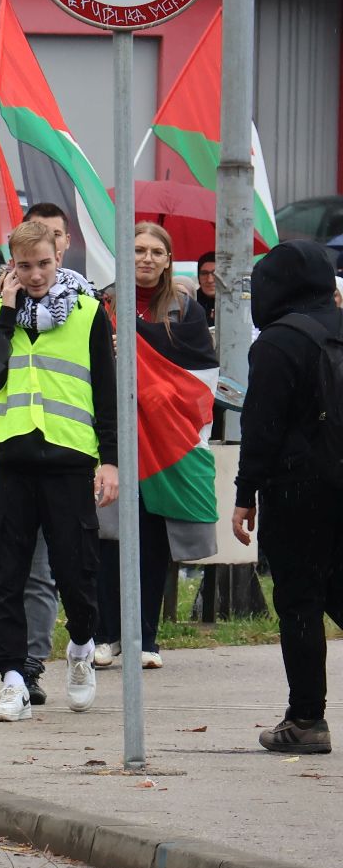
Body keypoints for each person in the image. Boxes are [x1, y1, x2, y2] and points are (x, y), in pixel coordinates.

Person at [0, 219, 116, 724]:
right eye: (24, 266)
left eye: (43, 264)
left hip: (69, 461)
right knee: (6, 575)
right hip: (13, 464)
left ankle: (81, 647)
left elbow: (106, 391)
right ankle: (13, 680)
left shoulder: (87, 312)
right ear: (11, 267)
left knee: (77, 573)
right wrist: (6, 312)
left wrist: (110, 461)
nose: (35, 275)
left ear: (59, 258)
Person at [231, 239, 343, 755]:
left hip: (299, 489)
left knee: (300, 601)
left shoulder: (278, 342)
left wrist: (245, 492)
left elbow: (262, 427)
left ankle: (305, 720)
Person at [93, 223, 216, 672]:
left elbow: (199, 375)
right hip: (112, 438)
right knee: (109, 540)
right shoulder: (102, 306)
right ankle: (106, 635)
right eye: (138, 249)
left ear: (168, 260)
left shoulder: (185, 310)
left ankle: (145, 636)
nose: (146, 258)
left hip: (165, 443)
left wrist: (136, 346)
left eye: (156, 252)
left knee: (151, 541)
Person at [193, 250, 217, 324]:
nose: (210, 280)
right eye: (204, 273)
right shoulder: (189, 304)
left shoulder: (238, 304)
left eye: (215, 273)